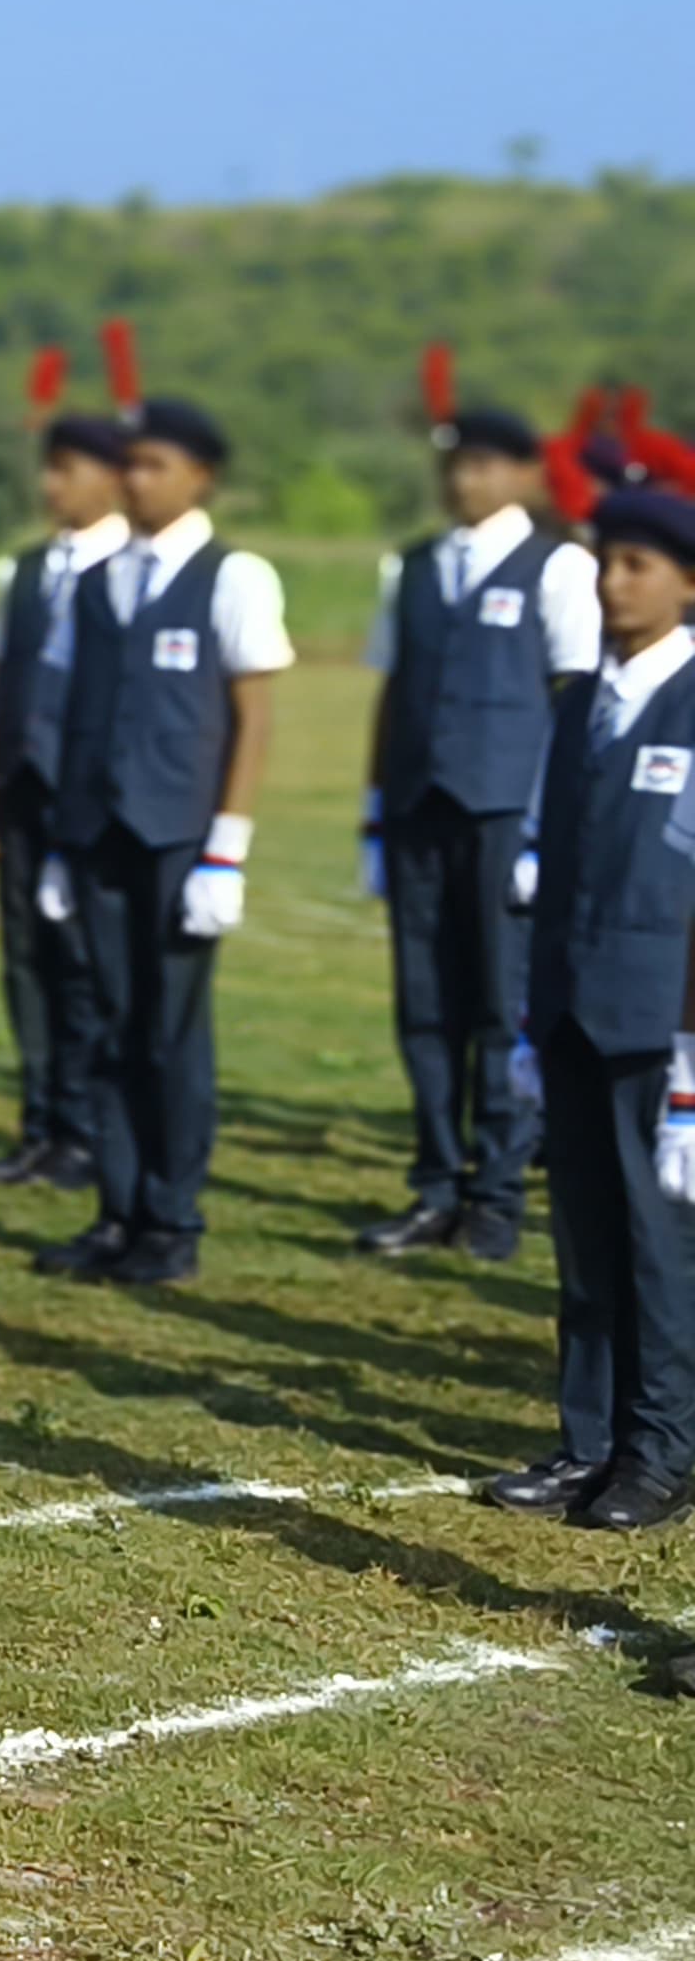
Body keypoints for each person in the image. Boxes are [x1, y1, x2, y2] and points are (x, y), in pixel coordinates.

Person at [33, 396, 291, 1287]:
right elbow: (71, 716)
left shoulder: (234, 576)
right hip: (101, 832)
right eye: (128, 464)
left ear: (199, 476)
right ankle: (118, 1208)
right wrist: (65, 845)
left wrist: (227, 846)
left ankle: (171, 1220)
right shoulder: (97, 579)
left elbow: (251, 717)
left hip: (180, 838)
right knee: (106, 1022)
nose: (134, 480)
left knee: (170, 1031)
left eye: (154, 465)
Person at [486, 480, 695, 1532]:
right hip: (570, 1006)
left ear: (686, 584)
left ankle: (660, 1452)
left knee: (658, 1247)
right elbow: (551, 873)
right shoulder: (581, 705)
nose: (612, 583)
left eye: (636, 565)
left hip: (660, 1021)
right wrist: (531, 1021)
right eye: (604, 562)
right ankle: (589, 1440)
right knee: (583, 1236)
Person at [358, 400, 595, 1261]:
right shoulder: (412, 569)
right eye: (457, 465)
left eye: (487, 465)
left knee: (501, 1007)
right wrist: (373, 816)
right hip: (420, 810)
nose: (467, 480)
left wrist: (546, 828)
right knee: (425, 1006)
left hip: (503, 814)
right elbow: (391, 694)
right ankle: (433, 1184)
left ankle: (495, 1194)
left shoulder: (557, 567)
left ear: (525, 474)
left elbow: (576, 702)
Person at [0, 414, 133, 1190]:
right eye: (49, 468)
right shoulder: (26, 571)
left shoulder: (130, 568)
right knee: (27, 964)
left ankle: (88, 1127)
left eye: (68, 469)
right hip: (25, 793)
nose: (51, 485)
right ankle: (40, 1124)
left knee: (82, 966)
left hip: (94, 800)